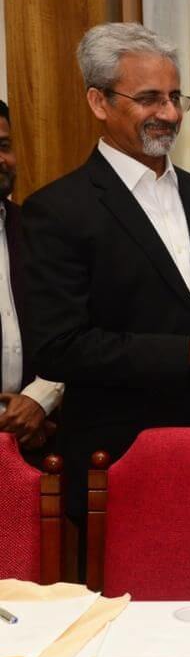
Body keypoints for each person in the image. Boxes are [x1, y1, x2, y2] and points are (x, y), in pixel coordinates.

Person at [22, 23, 190, 526]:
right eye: (150, 99)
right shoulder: (57, 210)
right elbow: (59, 346)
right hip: (118, 459)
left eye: (176, 97)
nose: (170, 114)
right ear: (99, 102)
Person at [0, 100, 63, 454]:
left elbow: (75, 327)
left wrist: (41, 400)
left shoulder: (37, 229)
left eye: (4, 145)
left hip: (37, 444)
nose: (1, 159)